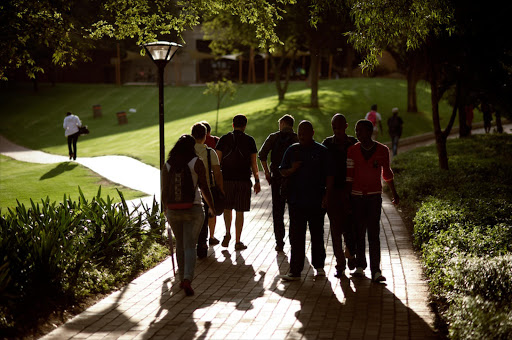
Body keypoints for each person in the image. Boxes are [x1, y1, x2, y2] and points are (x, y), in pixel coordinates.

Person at [346, 120, 399, 283]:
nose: (357, 134)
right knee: (359, 232)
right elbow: (349, 176)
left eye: (359, 131)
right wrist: (348, 199)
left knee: (373, 234)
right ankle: (361, 266)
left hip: (374, 197)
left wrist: (395, 193)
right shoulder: (352, 151)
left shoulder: (383, 150)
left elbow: (387, 173)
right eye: (356, 130)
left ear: (369, 132)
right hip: (356, 197)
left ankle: (376, 270)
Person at [279, 120, 333, 281]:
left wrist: (327, 196)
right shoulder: (292, 150)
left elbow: (330, 175)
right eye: (300, 133)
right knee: (296, 236)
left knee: (317, 234)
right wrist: (292, 169)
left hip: (316, 200)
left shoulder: (321, 151)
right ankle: (295, 270)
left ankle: (319, 267)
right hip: (296, 201)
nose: (302, 136)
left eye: (305, 133)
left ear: (312, 133)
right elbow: (282, 171)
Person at [161, 134, 214, 296]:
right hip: (194, 208)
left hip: (173, 210)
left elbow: (164, 190)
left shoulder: (168, 164)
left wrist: (165, 210)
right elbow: (204, 187)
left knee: (180, 244)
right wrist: (211, 206)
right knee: (190, 245)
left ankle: (181, 277)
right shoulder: (196, 162)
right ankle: (187, 279)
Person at [216, 114, 261, 251]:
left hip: (227, 180)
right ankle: (238, 241)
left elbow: (217, 162)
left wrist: (218, 181)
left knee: (227, 208)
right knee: (240, 210)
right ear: (245, 125)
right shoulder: (250, 140)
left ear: (233, 124)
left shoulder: (224, 139)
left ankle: (227, 232)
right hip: (243, 180)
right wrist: (257, 180)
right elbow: (254, 163)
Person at [322, 114, 358, 278]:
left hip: (351, 192)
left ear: (346, 126)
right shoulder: (327, 144)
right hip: (333, 192)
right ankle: (340, 264)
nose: (337, 131)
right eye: (334, 128)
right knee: (335, 231)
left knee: (350, 228)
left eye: (340, 127)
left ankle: (350, 252)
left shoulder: (353, 143)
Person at [258, 114, 299, 252]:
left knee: (278, 211)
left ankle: (279, 242)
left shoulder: (274, 137)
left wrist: (267, 173)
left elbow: (262, 155)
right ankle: (295, 241)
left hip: (277, 178)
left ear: (282, 123)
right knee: (294, 211)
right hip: (294, 179)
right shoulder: (297, 139)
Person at [191, 123, 224, 258]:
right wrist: (221, 190)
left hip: (189, 191)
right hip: (206, 190)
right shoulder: (211, 152)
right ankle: (202, 247)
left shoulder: (187, 152)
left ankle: (190, 247)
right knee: (203, 221)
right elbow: (217, 173)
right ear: (205, 136)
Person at [200, 121, 222, 245]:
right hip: (211, 182)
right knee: (211, 211)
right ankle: (211, 236)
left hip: (196, 186)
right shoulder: (215, 141)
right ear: (209, 131)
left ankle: (200, 237)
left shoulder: (192, 145)